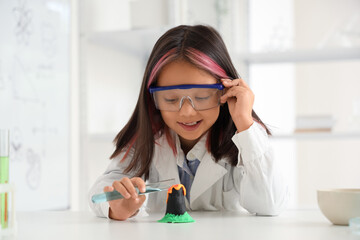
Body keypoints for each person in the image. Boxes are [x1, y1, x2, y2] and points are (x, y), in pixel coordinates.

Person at [88, 25, 288, 221]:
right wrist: (117, 207)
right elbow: (99, 192)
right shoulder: (148, 138)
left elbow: (270, 204)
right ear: (152, 99)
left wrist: (244, 122)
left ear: (225, 92)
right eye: (171, 100)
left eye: (201, 97)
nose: (186, 112)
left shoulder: (246, 138)